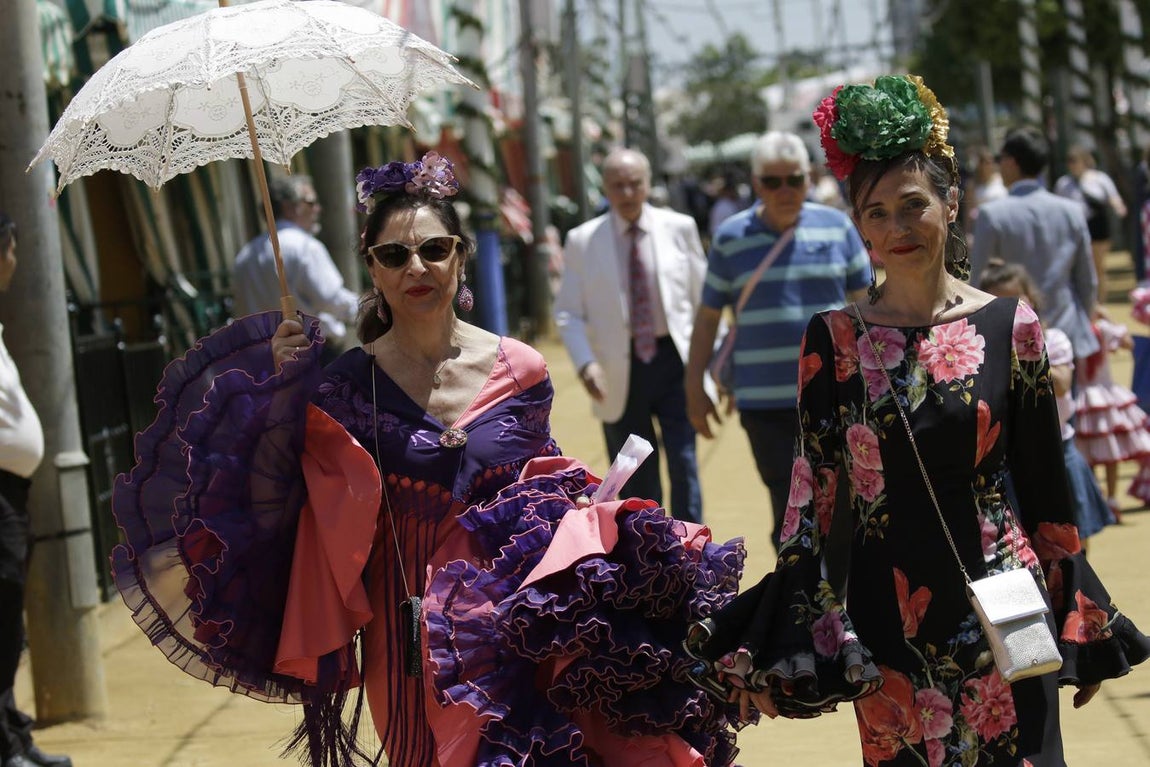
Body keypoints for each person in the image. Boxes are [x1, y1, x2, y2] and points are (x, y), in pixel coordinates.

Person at [110, 154, 743, 767]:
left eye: (434, 249)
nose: (417, 266)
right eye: (394, 254)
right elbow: (286, 501)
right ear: (374, 271)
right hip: (403, 633)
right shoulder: (344, 388)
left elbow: (542, 486)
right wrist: (282, 390)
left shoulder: (522, 369)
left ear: (460, 259)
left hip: (509, 626)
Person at [685, 75, 1150, 766]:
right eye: (876, 214)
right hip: (889, 626)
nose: (897, 229)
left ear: (951, 204)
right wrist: (784, 642)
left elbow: (1049, 497)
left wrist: (1082, 623)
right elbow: (812, 505)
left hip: (1005, 607)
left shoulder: (1010, 326)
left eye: (913, 206)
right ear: (858, 226)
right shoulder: (833, 341)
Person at [684, 131, 871, 552]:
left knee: (841, 500)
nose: (785, 190)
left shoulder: (838, 227)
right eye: (772, 182)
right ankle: (798, 602)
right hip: (763, 403)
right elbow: (708, 316)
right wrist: (694, 385)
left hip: (833, 393)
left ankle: (838, 602)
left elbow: (867, 306)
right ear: (756, 184)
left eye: (794, 179)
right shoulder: (731, 238)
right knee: (786, 502)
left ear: (810, 178)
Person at [554, 147, 707, 524]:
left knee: (684, 460)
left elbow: (703, 301)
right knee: (636, 471)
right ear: (605, 187)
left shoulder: (680, 228)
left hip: (675, 361)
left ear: (648, 184)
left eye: (634, 183)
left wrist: (710, 361)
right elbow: (567, 312)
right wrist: (586, 364)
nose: (626, 193)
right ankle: (650, 546)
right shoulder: (582, 240)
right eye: (617, 185)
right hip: (618, 370)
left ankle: (690, 546)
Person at [978, 259, 1117, 549]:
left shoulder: (1053, 340)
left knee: (1074, 537)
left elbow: (1064, 382)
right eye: (997, 302)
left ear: (1031, 300)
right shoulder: (980, 348)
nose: (1007, 309)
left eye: (1014, 299)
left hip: (1060, 452)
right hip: (1009, 460)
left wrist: (1019, 353)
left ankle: (1074, 588)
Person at [0, 214, 72, 767]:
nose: (16, 261)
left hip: (10, 494)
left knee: (7, 619)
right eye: (13, 248)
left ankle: (12, 732)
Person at [970, 127, 1100, 361]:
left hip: (1011, 334)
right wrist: (1086, 318)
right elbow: (1087, 279)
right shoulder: (1071, 211)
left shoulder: (992, 215)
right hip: (1067, 326)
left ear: (1011, 162)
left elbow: (979, 281)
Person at [233, 174, 359, 362]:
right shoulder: (305, 246)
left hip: (265, 362)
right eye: (310, 202)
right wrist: (368, 308)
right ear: (290, 208)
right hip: (312, 356)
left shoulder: (244, 256)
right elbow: (330, 299)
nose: (317, 208)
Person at [1072, 314, 1150, 518]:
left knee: (1089, 451)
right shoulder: (1103, 328)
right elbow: (1128, 343)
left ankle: (1100, 495)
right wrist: (1108, 316)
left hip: (1083, 396)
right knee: (1109, 453)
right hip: (1103, 394)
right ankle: (1110, 498)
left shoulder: (1072, 329)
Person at [1055, 145, 1127, 303]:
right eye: (1069, 161)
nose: (1072, 164)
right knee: (1077, 267)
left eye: (1074, 161)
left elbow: (1113, 197)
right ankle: (1085, 301)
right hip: (1074, 228)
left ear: (1083, 161)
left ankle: (1099, 302)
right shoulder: (1063, 184)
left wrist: (1119, 207)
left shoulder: (1099, 178)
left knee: (1097, 266)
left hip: (1097, 226)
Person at [962, 145, 1007, 235]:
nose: (990, 165)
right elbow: (968, 213)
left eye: (992, 161)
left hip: (1003, 226)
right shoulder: (972, 185)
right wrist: (968, 233)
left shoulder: (1001, 179)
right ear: (980, 164)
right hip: (984, 230)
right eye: (986, 162)